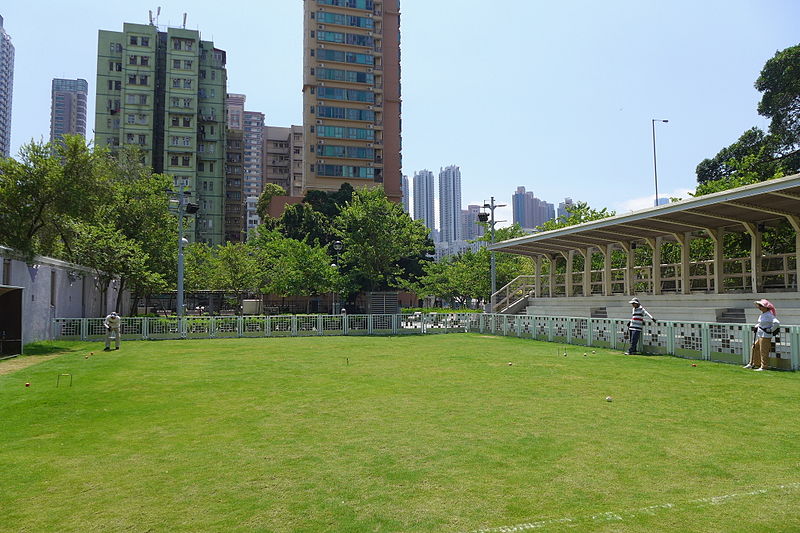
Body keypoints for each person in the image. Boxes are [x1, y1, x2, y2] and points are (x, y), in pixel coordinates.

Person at [745, 299, 779, 371]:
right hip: (760, 334)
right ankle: (753, 363)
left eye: (761, 306)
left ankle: (764, 366)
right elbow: (761, 323)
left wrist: (771, 330)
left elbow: (776, 323)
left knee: (763, 351)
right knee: (755, 347)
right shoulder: (762, 314)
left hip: (766, 335)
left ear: (766, 307)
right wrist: (756, 326)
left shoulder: (769, 315)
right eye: (759, 306)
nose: (759, 307)